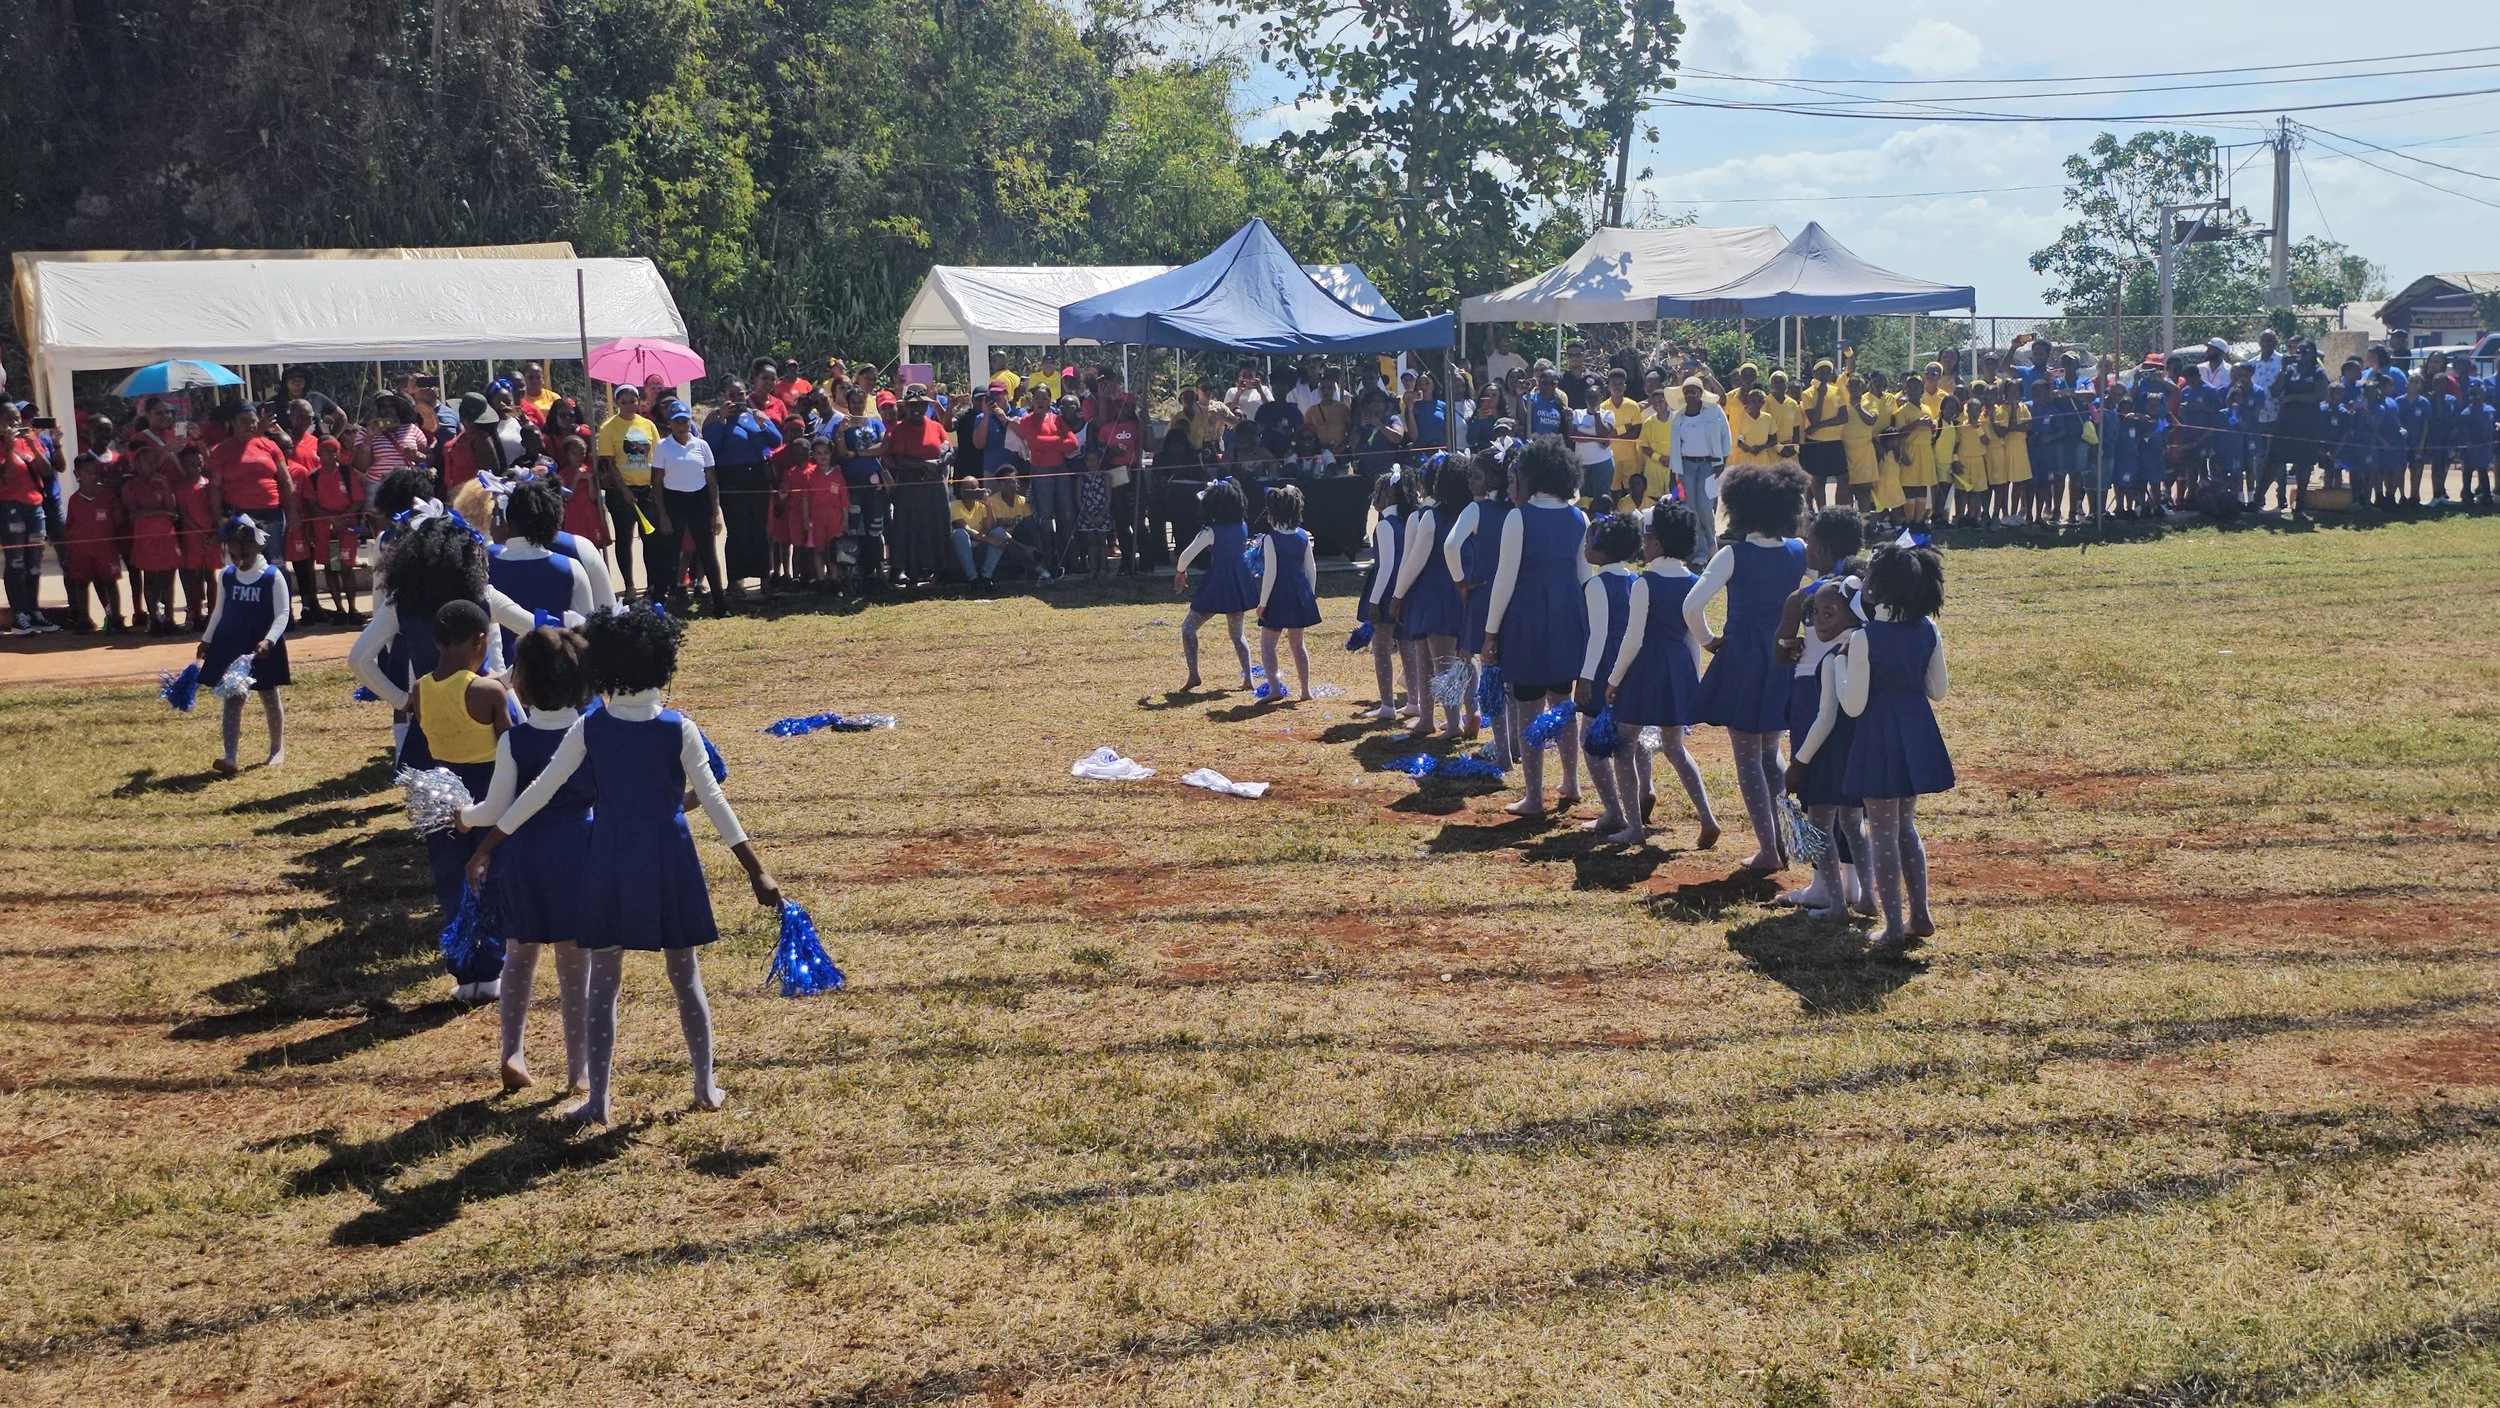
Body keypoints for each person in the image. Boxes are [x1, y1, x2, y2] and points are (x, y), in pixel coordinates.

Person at [466, 606, 781, 1124]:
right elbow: (714, 801)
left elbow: (537, 793)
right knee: (685, 978)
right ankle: (705, 1084)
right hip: (668, 862)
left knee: (604, 984)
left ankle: (599, 1100)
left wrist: (488, 844)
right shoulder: (679, 728)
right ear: (663, 669)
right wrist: (755, 870)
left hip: (608, 862)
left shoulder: (590, 728)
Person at [455, 624, 594, 1092]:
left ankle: (512, 1051)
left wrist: (463, 816)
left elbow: (496, 809)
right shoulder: (591, 734)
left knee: (519, 956)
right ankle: (579, 1070)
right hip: (579, 853)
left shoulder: (514, 740)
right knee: (576, 969)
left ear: (523, 684)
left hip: (524, 855)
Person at [1684, 463, 1810, 873]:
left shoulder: (1732, 554)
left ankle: (1769, 850)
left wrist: (1707, 641)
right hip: (1784, 656)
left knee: (1747, 757)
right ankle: (1785, 840)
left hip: (1743, 658)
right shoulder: (1798, 550)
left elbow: (1691, 605)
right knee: (1771, 749)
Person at [1838, 543, 1954, 956]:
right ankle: (1919, 914)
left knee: (1881, 830)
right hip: (1916, 730)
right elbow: (1937, 691)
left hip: (1878, 735)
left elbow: (1853, 704)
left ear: (1882, 587)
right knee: (1906, 826)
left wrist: (1840, 664)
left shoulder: (1865, 637)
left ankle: (1891, 926)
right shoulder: (1928, 629)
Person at [1480, 437, 1594, 817]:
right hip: (1568, 615)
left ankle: (1534, 796)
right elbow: (1584, 578)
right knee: (1562, 700)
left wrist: (1491, 631)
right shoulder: (1579, 517)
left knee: (1527, 705)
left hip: (1528, 616)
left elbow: (1504, 579)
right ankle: (1572, 782)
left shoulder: (1519, 516)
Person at [1602, 503, 1719, 851]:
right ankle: (1707, 818)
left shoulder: (1644, 583)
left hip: (1645, 670)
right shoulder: (1693, 582)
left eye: (1648, 536)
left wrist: (1614, 678)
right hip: (1679, 666)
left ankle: (1634, 828)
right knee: (1675, 747)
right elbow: (1696, 635)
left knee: (1624, 745)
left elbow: (1633, 638)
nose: (1644, 542)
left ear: (1658, 541)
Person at [1784, 576, 1873, 922]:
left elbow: (1825, 719)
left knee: (1821, 822)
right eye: (1815, 613)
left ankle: (1836, 905)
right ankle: (1866, 895)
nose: (1818, 622)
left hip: (1828, 757)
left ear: (1852, 613)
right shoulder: (1867, 648)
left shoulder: (1836, 658)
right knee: (1853, 822)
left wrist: (1799, 763)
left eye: (1828, 614)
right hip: (1857, 755)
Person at [196, 516, 291, 774]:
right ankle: (230, 757)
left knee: (269, 696)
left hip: (261, 647)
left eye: (244, 554)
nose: (238, 561)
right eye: (234, 555)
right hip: (233, 644)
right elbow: (218, 611)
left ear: (258, 546)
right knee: (232, 697)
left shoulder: (273, 576)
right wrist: (207, 638)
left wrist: (269, 640)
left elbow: (283, 613)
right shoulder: (227, 576)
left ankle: (276, 748)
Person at [1571, 512, 1644, 838]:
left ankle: (1614, 812)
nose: (1584, 546)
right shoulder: (1634, 580)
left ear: (1601, 549)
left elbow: (1598, 634)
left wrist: (1585, 678)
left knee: (1592, 745)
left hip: (1603, 670)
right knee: (1631, 739)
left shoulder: (1596, 584)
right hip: (1631, 667)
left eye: (1588, 541)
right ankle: (1644, 792)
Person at [1388, 457, 1471, 738]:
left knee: (1441, 662)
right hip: (1460, 591)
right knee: (1451, 657)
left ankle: (1454, 721)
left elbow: (1414, 561)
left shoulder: (1432, 518)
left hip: (1434, 593)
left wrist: (1397, 595)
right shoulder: (1472, 514)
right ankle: (1428, 717)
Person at [1443, 450, 1512, 743]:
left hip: (1484, 593)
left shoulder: (1476, 510)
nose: (1470, 481)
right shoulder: (1514, 509)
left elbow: (1450, 546)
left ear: (1493, 478)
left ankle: (1495, 736)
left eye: (1476, 475)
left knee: (1481, 662)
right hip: (1512, 594)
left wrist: (1460, 582)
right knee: (1507, 667)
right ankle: (1510, 736)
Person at [1172, 478, 1258, 692]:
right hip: (1239, 581)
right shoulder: (1243, 526)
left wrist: (1180, 572)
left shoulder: (1210, 531)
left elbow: (1186, 555)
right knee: (1237, 634)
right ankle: (1248, 677)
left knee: (1189, 628)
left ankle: (1193, 674)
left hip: (1217, 582)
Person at [650, 402, 724, 614]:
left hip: (699, 500)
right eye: (677, 421)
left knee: (707, 553)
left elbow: (711, 481)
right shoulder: (663, 447)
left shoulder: (702, 446)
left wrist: (716, 513)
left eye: (685, 420)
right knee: (669, 553)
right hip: (673, 500)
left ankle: (720, 603)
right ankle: (660, 603)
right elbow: (656, 482)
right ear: (670, 423)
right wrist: (662, 515)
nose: (682, 425)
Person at [1254, 485, 1322, 700]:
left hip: (1279, 595)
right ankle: (1305, 690)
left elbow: (1270, 574)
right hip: (1299, 593)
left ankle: (1274, 689)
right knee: (1298, 644)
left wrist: (1262, 603)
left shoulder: (1270, 539)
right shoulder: (1303, 535)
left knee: (1267, 644)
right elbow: (1311, 569)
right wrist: (1308, 596)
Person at [203, 401, 298, 550]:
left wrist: (293, 511)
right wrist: (218, 518)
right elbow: (215, 487)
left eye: (253, 421)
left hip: (273, 514)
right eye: (243, 421)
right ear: (233, 423)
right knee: (247, 562)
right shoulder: (221, 451)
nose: (249, 425)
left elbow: (286, 479)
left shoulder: (270, 446)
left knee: (275, 562)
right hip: (240, 515)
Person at [595, 387, 660, 602]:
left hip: (646, 490)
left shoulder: (647, 425)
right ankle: (630, 586)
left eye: (633, 401)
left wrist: (654, 488)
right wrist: (624, 490)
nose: (630, 405)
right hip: (621, 493)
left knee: (650, 540)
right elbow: (609, 463)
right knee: (624, 540)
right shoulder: (608, 428)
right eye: (624, 402)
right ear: (617, 403)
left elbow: (656, 457)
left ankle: (652, 585)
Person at [882, 386, 952, 587]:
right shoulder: (900, 429)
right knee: (907, 527)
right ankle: (905, 570)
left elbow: (948, 448)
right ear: (906, 407)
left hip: (935, 483)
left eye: (921, 404)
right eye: (912, 405)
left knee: (938, 524)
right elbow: (898, 457)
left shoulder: (935, 426)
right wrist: (923, 464)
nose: (917, 409)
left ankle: (941, 569)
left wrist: (940, 462)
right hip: (910, 484)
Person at [1358, 470, 1410, 719]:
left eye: (1377, 492)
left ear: (1388, 494)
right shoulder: (1407, 522)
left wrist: (1374, 600)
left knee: (1381, 647)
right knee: (1407, 646)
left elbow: (1386, 567)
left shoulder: (1386, 526)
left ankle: (1387, 705)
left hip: (1387, 591)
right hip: (1406, 589)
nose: (1373, 498)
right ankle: (1414, 701)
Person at [122, 437, 184, 634]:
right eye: (147, 460)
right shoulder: (130, 485)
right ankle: (153, 617)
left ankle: (169, 617)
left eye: (153, 460)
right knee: (150, 578)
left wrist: (164, 487)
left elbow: (172, 506)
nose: (151, 464)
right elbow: (135, 512)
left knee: (168, 577)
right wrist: (163, 513)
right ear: (137, 463)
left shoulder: (162, 481)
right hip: (146, 537)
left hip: (166, 535)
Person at [1666, 378, 1732, 560]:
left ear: (1701, 393)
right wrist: (1674, 473)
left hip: (1708, 464)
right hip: (1686, 465)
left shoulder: (1713, 411)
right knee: (1692, 508)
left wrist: (1723, 461)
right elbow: (1675, 446)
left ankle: (1712, 546)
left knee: (1705, 507)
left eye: (1694, 391)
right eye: (1687, 392)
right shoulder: (1678, 417)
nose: (1690, 395)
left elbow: (1726, 436)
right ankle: (1699, 552)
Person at [62, 456, 128, 633]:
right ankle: (84, 618)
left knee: (110, 581)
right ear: (77, 474)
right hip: (81, 549)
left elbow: (118, 519)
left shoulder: (107, 495)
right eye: (88, 472)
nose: (93, 476)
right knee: (82, 583)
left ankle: (116, 617)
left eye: (95, 472)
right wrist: (69, 551)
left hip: (105, 547)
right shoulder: (74, 500)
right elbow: (69, 527)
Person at [1798, 360, 1849, 498]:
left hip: (1835, 442)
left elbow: (1844, 417)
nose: (1825, 374)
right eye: (1822, 370)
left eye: (1828, 371)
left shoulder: (1837, 390)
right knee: (1819, 481)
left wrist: (1819, 426)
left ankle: (1839, 511)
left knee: (1843, 479)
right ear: (1814, 373)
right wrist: (1820, 395)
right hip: (1816, 443)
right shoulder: (1807, 394)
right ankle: (1822, 513)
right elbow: (1814, 419)